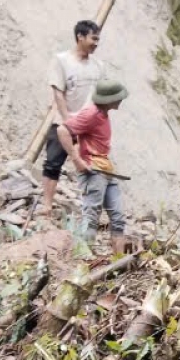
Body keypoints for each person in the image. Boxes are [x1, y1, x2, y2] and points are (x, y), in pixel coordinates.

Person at [41, 19, 104, 220]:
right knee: (53, 163)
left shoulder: (98, 65)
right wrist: (69, 121)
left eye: (98, 39)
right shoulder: (61, 61)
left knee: (92, 167)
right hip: (64, 122)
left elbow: (100, 96)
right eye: (93, 38)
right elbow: (58, 93)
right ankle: (47, 205)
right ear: (80, 37)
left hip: (89, 127)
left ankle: (92, 211)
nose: (96, 43)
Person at [57, 79, 128, 241]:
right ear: (109, 99)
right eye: (118, 98)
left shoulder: (103, 114)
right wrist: (77, 160)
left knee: (118, 219)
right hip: (93, 170)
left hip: (106, 170)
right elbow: (63, 130)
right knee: (91, 218)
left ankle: (120, 259)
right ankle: (84, 258)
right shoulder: (91, 114)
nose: (121, 101)